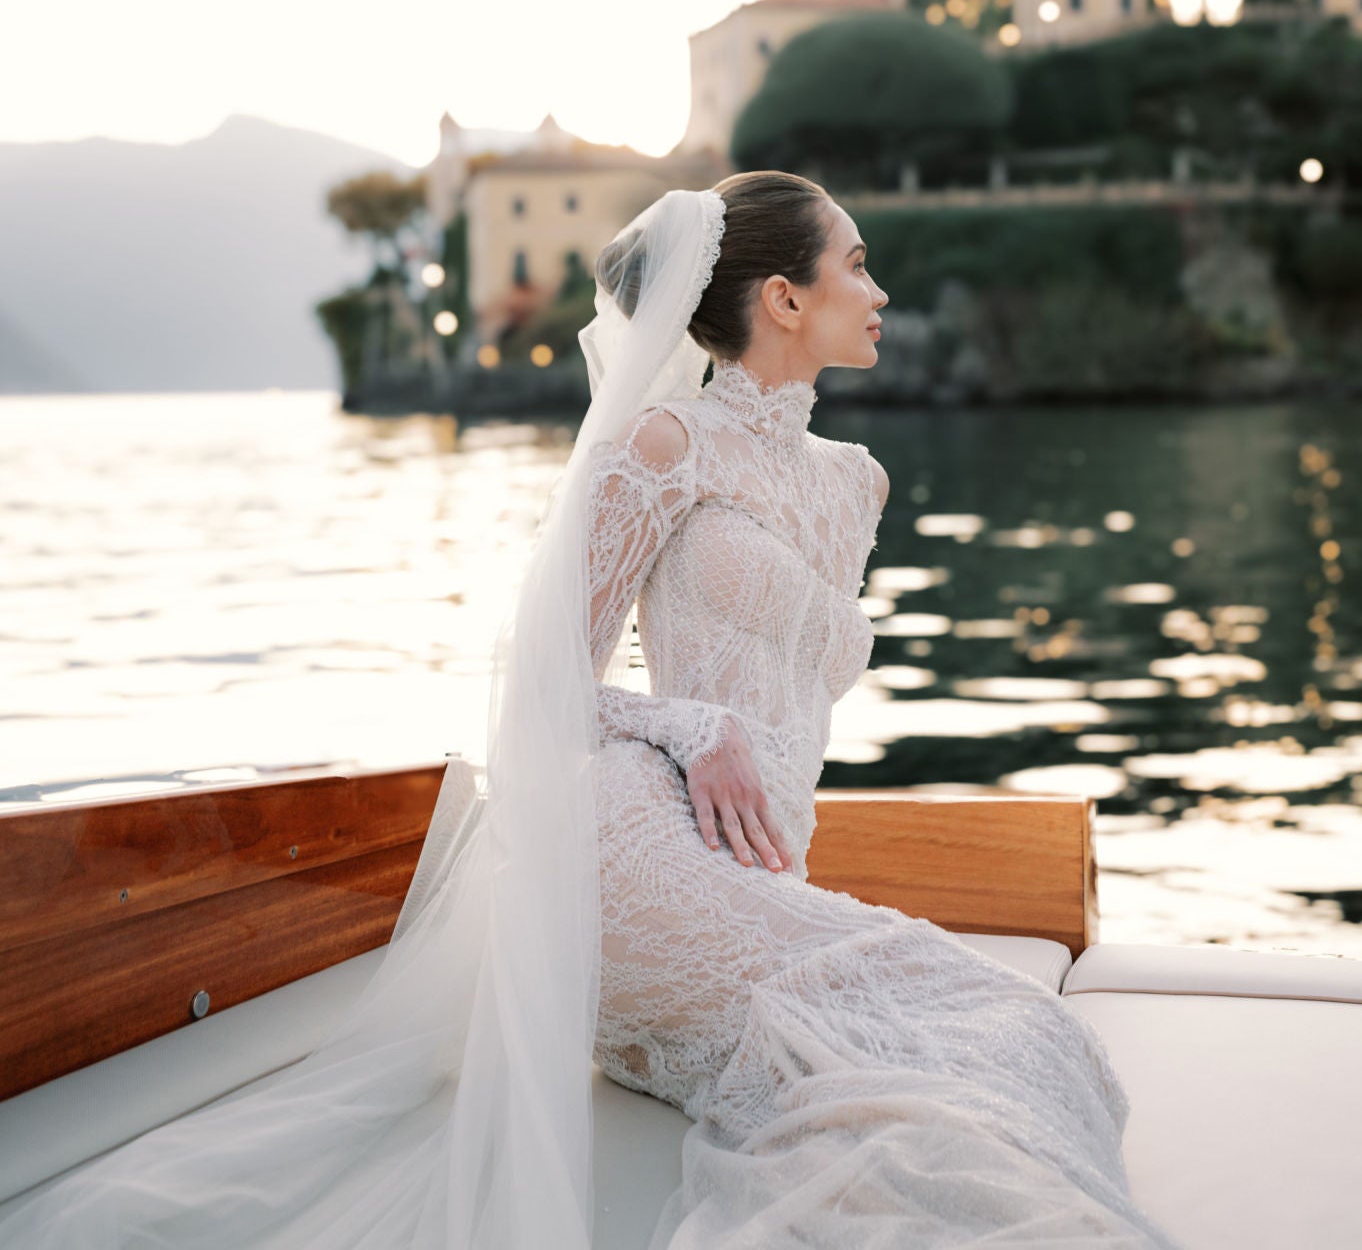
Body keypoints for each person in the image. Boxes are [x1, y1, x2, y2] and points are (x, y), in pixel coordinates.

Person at [0, 171, 1180, 1248]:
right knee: (976, 1045)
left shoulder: (853, 482)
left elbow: (792, 710)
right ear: (782, 296)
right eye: (858, 264)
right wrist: (693, 726)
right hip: (629, 839)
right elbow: (543, 678)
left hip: (755, 864)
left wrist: (758, 810)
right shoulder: (665, 444)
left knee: (1019, 1034)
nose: (880, 289)